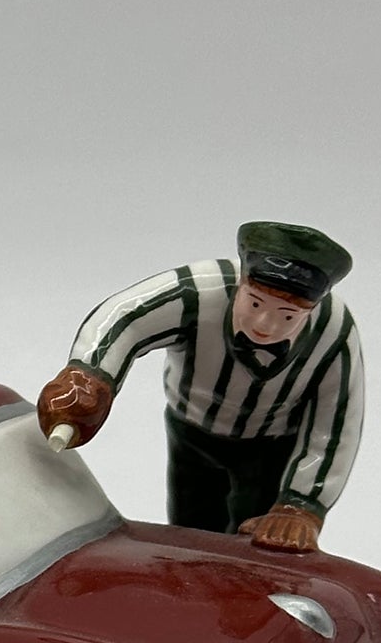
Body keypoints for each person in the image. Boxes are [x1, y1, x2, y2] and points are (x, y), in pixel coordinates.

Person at [36, 221, 362, 552]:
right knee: (190, 532)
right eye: (254, 304)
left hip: (270, 448)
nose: (265, 325)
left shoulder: (333, 331)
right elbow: (126, 317)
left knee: (258, 543)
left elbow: (335, 423)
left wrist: (301, 504)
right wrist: (89, 376)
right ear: (242, 284)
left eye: (288, 316)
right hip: (191, 433)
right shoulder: (200, 292)